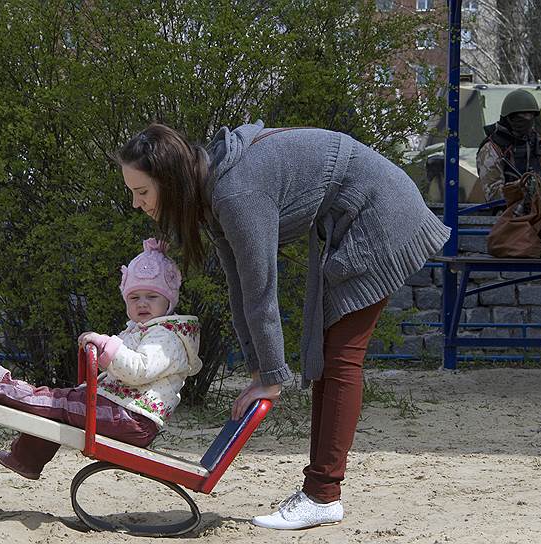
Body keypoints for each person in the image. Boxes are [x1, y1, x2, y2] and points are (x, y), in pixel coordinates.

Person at [116, 122, 450, 530]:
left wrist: (271, 378)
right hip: (354, 217)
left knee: (342, 357)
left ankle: (322, 496)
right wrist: (259, 371)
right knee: (332, 355)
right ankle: (322, 493)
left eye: (142, 192)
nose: (136, 203)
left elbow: (262, 287)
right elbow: (238, 284)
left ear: (169, 181)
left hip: (381, 214)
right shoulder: (213, 189)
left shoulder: (236, 192)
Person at [0, 238, 203, 480]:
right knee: (60, 404)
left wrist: (105, 344)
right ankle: (25, 458)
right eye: (135, 297)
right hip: (123, 411)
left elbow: (139, 369)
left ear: (169, 301)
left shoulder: (165, 337)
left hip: (131, 418)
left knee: (57, 403)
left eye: (152, 296)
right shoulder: (143, 330)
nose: (142, 303)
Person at [476, 88, 541, 207]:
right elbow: (493, 195)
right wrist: (521, 187)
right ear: (509, 117)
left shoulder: (533, 141)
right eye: (523, 115)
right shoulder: (492, 149)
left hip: (539, 208)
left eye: (531, 115)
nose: (528, 119)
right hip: (508, 214)